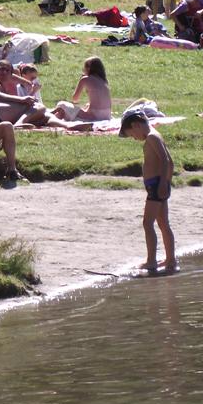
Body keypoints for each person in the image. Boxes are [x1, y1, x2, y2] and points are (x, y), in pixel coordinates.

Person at [119, 110, 176, 274]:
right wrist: (166, 182)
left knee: (147, 223)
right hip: (159, 184)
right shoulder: (155, 135)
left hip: (156, 186)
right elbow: (170, 162)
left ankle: (151, 261)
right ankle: (170, 260)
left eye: (132, 135)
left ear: (136, 125)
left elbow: (165, 160)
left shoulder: (151, 137)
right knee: (163, 223)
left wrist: (163, 184)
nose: (135, 138)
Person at [54, 56, 112, 121]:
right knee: (87, 105)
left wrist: (80, 80)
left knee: (62, 104)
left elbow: (75, 99)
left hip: (95, 117)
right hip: (107, 116)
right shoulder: (103, 80)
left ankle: (53, 119)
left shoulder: (85, 79)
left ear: (88, 68)